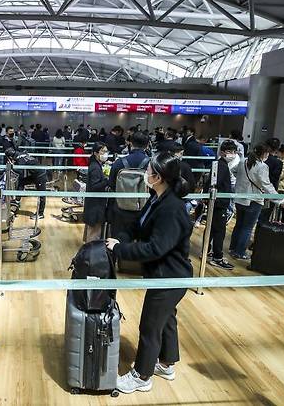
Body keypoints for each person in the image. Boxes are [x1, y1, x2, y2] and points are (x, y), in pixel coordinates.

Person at [105, 152, 192, 394]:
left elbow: (155, 248)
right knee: (166, 321)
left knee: (150, 325)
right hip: (164, 274)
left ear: (159, 177)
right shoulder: (157, 198)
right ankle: (166, 363)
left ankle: (141, 376)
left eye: (149, 171)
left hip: (170, 277)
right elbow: (137, 225)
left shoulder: (171, 209)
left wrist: (122, 249)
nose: (145, 174)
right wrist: (120, 238)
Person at [229, 144, 284, 261]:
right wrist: (280, 200)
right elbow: (267, 186)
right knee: (247, 227)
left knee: (239, 225)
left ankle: (233, 248)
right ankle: (240, 252)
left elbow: (233, 170)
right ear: (264, 154)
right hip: (254, 200)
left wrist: (243, 182)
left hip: (240, 198)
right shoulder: (262, 166)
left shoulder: (243, 161)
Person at [204, 140, 238, 270]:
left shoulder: (219, 164)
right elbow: (214, 184)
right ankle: (217, 257)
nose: (232, 154)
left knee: (212, 229)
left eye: (234, 152)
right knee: (219, 231)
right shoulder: (221, 166)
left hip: (216, 202)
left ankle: (207, 251)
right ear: (222, 152)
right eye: (229, 152)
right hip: (219, 203)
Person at [108, 131, 150, 237]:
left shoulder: (119, 163)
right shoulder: (152, 164)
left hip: (120, 209)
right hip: (144, 210)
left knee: (118, 242)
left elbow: (111, 184)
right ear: (147, 145)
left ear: (130, 143)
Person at [5, 148, 47, 220]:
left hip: (40, 176)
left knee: (42, 196)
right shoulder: (21, 154)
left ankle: (40, 214)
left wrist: (12, 167)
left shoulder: (19, 160)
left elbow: (21, 172)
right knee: (22, 182)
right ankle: (17, 200)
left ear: (10, 157)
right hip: (34, 174)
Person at [83, 143, 110, 241]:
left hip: (94, 204)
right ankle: (90, 253)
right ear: (95, 153)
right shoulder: (95, 167)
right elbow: (95, 186)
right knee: (94, 233)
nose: (105, 154)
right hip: (95, 205)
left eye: (106, 151)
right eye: (103, 151)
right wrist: (107, 181)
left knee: (92, 231)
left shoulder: (96, 164)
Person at [259, 138, 284, 223]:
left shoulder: (258, 158)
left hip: (255, 191)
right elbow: (275, 180)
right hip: (268, 193)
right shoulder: (278, 162)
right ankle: (259, 235)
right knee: (263, 218)